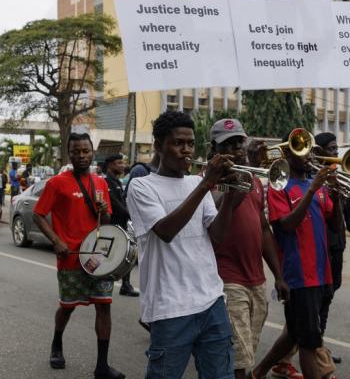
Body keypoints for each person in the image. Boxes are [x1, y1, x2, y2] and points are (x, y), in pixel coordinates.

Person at [126, 111, 240, 379]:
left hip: (212, 301)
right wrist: (207, 184)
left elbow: (218, 235)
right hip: (170, 308)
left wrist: (232, 196)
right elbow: (166, 231)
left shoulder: (194, 182)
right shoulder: (142, 186)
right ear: (158, 146)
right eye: (178, 143)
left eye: (190, 143)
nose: (186, 150)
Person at [250, 130, 342, 379]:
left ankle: (257, 372)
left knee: (295, 331)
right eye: (301, 148)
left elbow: (334, 224)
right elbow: (286, 225)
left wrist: (335, 192)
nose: (308, 154)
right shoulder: (281, 186)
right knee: (309, 340)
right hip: (300, 275)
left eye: (311, 149)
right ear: (287, 153)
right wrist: (312, 190)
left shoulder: (319, 185)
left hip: (323, 274)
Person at [32, 133, 123, 379]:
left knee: (104, 307)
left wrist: (104, 212)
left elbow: (105, 222)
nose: (81, 155)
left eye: (85, 151)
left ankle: (102, 367)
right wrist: (56, 240)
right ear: (69, 154)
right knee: (68, 307)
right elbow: (38, 214)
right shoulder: (57, 183)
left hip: (99, 257)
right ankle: (57, 343)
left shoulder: (101, 183)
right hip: (70, 257)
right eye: (76, 151)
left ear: (92, 152)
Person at [208, 119, 290, 379]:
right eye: (228, 144)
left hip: (256, 279)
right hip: (227, 279)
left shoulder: (254, 179)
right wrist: (239, 181)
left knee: (247, 352)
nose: (237, 149)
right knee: (240, 359)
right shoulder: (208, 180)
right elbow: (217, 210)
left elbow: (263, 228)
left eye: (239, 142)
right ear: (214, 148)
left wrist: (278, 275)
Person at [312, 132, 350, 364]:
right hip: (318, 249)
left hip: (336, 249)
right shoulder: (312, 177)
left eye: (337, 149)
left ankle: (318, 345)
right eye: (332, 149)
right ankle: (314, 348)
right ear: (319, 152)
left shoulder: (340, 177)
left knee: (327, 297)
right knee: (316, 301)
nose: (336, 154)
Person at [103, 153, 139, 297]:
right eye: (119, 163)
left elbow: (123, 202)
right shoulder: (107, 182)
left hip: (121, 225)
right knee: (108, 256)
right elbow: (115, 204)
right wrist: (131, 215)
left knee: (126, 254)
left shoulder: (116, 182)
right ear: (111, 165)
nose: (123, 166)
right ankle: (104, 282)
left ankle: (125, 284)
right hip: (112, 226)